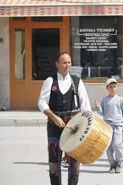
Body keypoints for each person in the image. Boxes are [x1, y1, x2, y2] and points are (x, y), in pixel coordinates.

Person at [37, 52, 91, 185]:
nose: (67, 65)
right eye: (64, 62)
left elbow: (85, 106)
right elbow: (41, 102)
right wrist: (54, 117)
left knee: (74, 163)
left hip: (73, 127)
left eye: (69, 62)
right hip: (54, 125)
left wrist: (88, 127)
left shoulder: (77, 81)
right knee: (54, 163)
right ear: (57, 64)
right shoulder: (50, 81)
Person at [95, 78, 123, 173]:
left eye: (115, 87)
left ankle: (119, 162)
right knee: (109, 147)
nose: (113, 89)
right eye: (111, 87)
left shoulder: (120, 99)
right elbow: (102, 113)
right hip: (107, 126)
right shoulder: (105, 100)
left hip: (118, 125)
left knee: (117, 144)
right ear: (107, 88)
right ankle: (112, 164)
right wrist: (98, 107)